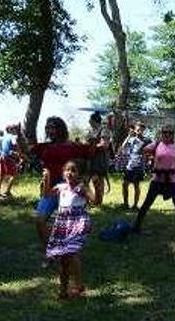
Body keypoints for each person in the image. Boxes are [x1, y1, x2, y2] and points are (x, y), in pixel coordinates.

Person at [18, 117, 93, 261]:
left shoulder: (73, 146)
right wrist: (19, 135)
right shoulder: (45, 147)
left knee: (68, 224)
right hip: (51, 188)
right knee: (40, 220)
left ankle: (69, 253)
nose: (49, 130)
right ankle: (51, 251)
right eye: (47, 128)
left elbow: (89, 154)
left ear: (61, 129)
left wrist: (97, 143)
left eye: (52, 127)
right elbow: (26, 151)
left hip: (69, 190)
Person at [45, 161, 95, 299]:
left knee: (71, 253)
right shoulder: (61, 187)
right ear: (63, 173)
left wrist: (93, 186)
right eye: (67, 170)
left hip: (77, 223)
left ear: (79, 174)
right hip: (62, 224)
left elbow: (95, 201)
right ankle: (63, 289)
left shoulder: (81, 188)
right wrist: (46, 178)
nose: (70, 173)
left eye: (73, 170)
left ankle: (79, 286)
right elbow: (46, 195)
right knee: (63, 258)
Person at [133, 125, 175, 234]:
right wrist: (149, 156)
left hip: (174, 180)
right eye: (165, 132)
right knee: (147, 203)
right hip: (158, 179)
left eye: (170, 133)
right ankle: (136, 226)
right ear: (161, 133)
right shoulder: (157, 144)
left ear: (173, 134)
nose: (167, 135)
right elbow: (142, 150)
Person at [119, 122, 148, 210]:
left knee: (136, 185)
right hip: (130, 165)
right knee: (125, 184)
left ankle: (135, 205)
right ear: (135, 130)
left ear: (143, 130)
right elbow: (123, 147)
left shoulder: (145, 140)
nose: (139, 131)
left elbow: (147, 151)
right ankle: (125, 203)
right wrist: (128, 136)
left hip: (138, 165)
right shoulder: (131, 139)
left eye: (141, 130)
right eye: (138, 129)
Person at [86, 112, 112, 206]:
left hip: (100, 159)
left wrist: (93, 147)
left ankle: (98, 202)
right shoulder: (91, 131)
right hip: (90, 159)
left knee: (97, 180)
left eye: (90, 119)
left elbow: (105, 145)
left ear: (94, 120)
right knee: (85, 180)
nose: (89, 121)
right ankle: (92, 200)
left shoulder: (104, 130)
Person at [0, 124, 20, 198]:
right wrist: (18, 150)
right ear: (11, 130)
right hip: (9, 158)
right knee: (14, 175)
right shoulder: (13, 137)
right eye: (14, 129)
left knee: (1, 175)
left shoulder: (4, 137)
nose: (16, 131)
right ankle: (7, 191)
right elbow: (15, 144)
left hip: (2, 156)